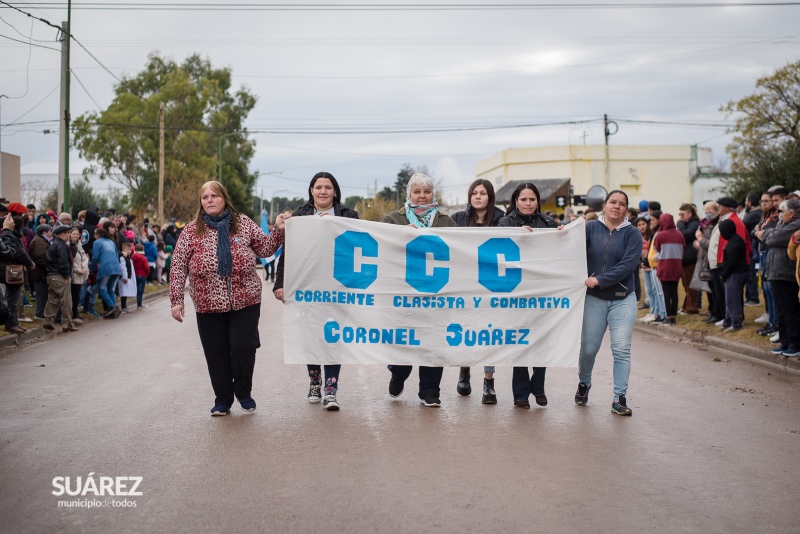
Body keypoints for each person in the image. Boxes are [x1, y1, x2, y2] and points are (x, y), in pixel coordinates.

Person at [170, 180, 288, 416]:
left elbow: (265, 249)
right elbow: (178, 265)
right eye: (205, 197)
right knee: (216, 352)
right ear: (201, 202)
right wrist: (176, 299)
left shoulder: (242, 223)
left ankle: (244, 393)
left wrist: (278, 230)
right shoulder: (192, 231)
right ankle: (222, 399)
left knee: (243, 347)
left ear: (224, 198)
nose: (210, 200)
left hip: (246, 300)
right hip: (207, 304)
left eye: (214, 196)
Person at [273, 171, 359, 411]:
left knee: (333, 337)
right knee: (310, 335)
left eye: (328, 187)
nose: (323, 191)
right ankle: (314, 381)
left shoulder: (349, 216)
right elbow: (288, 252)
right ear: (311, 191)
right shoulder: (299, 217)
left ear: (335, 191)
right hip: (306, 287)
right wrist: (280, 283)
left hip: (337, 288)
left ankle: (331, 390)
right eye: (318, 187)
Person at [382, 173, 458, 407]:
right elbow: (382, 249)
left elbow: (462, 249)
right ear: (409, 195)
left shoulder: (446, 221)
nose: (422, 196)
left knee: (434, 343)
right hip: (404, 295)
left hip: (437, 295)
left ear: (432, 194)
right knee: (406, 343)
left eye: (426, 192)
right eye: (417, 192)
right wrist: (399, 236)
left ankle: (430, 391)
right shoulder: (393, 219)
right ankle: (398, 373)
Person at [575, 190, 642, 416]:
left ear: (626, 209)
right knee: (588, 349)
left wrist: (600, 280)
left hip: (623, 299)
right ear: (604, 205)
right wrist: (562, 233)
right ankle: (584, 383)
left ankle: (619, 398)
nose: (617, 206)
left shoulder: (633, 234)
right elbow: (570, 249)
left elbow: (627, 265)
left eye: (622, 204)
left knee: (621, 349)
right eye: (613, 202)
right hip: (593, 299)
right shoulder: (590, 228)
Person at [498, 182, 559, 408]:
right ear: (516, 201)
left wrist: (563, 234)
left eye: (532, 199)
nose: (528, 203)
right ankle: (521, 394)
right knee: (521, 341)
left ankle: (539, 386)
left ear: (537, 202)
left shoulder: (548, 223)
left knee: (542, 340)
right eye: (523, 199)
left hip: (541, 291)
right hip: (517, 293)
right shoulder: (505, 222)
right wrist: (515, 234)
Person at [450, 178, 505, 404]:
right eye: (474, 193)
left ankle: (488, 382)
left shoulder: (502, 219)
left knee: (488, 332)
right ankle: (464, 368)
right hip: (464, 283)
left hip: (491, 284)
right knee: (466, 328)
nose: (478, 196)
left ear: (490, 196)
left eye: (482, 193)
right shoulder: (458, 219)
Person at [758, 199, 800, 357]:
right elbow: (770, 236)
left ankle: (795, 343)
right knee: (780, 310)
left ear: (793, 213)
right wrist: (770, 234)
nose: (780, 215)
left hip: (786, 273)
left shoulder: (796, 224)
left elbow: (773, 238)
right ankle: (785, 342)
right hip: (775, 272)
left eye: (783, 211)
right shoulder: (782, 223)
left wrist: (769, 234)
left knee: (790, 310)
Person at [42, 223, 79, 333]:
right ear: (58, 234)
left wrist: (72, 244)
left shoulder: (55, 244)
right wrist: (66, 275)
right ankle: (67, 323)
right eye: (65, 233)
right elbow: (64, 262)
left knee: (53, 299)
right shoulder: (61, 245)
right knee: (66, 299)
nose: (68, 235)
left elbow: (70, 254)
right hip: (59, 275)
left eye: (68, 233)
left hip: (51, 275)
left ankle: (48, 321)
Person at [2, 216, 35, 334]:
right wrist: (30, 263)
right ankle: (11, 324)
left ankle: (14, 323)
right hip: (13, 271)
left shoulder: (13, 236)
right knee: (12, 299)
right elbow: (20, 253)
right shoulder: (13, 236)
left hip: (13, 270)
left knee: (13, 299)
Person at [653, 213, 685, 326]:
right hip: (676, 265)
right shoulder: (679, 234)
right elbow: (683, 248)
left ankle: (668, 316)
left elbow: (656, 248)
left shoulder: (660, 235)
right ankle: (674, 316)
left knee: (666, 293)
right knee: (674, 292)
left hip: (664, 266)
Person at [718, 219, 749, 332]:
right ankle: (728, 320)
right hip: (738, 272)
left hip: (735, 273)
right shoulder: (735, 239)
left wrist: (724, 274)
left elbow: (732, 261)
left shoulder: (733, 243)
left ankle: (736, 323)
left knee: (732, 299)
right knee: (730, 298)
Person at [90, 227, 123, 319]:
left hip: (106, 267)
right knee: (111, 289)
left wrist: (91, 269)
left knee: (101, 289)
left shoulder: (97, 242)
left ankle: (113, 307)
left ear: (97, 235)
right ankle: (113, 311)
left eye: (95, 235)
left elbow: (95, 257)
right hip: (116, 267)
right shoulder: (112, 242)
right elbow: (117, 256)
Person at [676, 203, 700, 314]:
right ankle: (686, 305)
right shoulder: (687, 223)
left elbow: (686, 235)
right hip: (684, 256)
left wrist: (680, 224)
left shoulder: (694, 223)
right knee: (685, 283)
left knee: (690, 284)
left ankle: (692, 307)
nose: (680, 217)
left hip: (690, 257)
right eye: (679, 214)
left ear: (690, 214)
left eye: (683, 214)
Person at [29, 224, 52, 320]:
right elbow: (40, 257)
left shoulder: (40, 240)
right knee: (41, 293)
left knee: (43, 293)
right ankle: (39, 313)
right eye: (50, 231)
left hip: (40, 272)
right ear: (44, 232)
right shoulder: (39, 241)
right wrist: (49, 267)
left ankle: (41, 312)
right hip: (40, 272)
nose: (51, 233)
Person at [69, 226, 88, 325]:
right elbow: (72, 262)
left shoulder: (79, 245)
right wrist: (78, 270)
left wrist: (84, 268)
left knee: (77, 296)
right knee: (74, 296)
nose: (76, 236)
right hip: (74, 275)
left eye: (77, 234)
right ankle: (74, 315)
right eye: (74, 234)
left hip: (80, 274)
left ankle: (76, 313)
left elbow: (84, 257)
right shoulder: (69, 246)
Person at [637, 217, 655, 319]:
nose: (642, 227)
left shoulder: (652, 235)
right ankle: (651, 310)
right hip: (644, 267)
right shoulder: (638, 237)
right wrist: (640, 263)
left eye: (643, 224)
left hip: (652, 266)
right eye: (639, 225)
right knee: (649, 290)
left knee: (655, 290)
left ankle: (656, 310)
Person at [118, 241, 136, 313]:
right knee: (123, 293)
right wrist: (125, 277)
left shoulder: (129, 258)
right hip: (124, 279)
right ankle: (123, 306)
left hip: (128, 277)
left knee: (125, 293)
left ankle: (125, 306)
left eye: (130, 249)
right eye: (127, 249)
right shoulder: (122, 258)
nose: (129, 251)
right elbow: (123, 268)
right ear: (123, 250)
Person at [131, 244, 150, 309]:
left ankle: (138, 302)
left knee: (136, 289)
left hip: (135, 275)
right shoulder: (144, 258)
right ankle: (139, 304)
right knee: (141, 290)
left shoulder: (132, 258)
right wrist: (147, 274)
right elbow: (146, 268)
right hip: (142, 275)